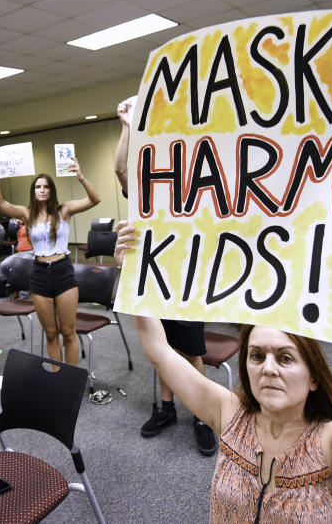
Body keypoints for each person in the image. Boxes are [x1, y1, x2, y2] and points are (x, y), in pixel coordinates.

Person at [115, 218, 332, 522]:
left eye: (285, 358)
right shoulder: (230, 415)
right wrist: (132, 273)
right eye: (256, 356)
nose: (268, 368)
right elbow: (161, 353)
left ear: (315, 379)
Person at [113, 96, 216, 454]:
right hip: (156, 277)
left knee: (191, 350)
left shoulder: (199, 185)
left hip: (189, 280)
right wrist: (127, 128)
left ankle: (203, 415)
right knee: (162, 348)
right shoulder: (149, 187)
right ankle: (168, 409)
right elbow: (121, 169)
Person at [0, 159, 99, 365]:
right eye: (38, 187)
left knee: (68, 331)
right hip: (39, 274)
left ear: (51, 190)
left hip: (63, 271)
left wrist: (81, 177)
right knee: (50, 333)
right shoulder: (27, 213)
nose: (42, 190)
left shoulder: (63, 210)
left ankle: (71, 379)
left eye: (46, 186)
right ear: (33, 191)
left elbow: (95, 199)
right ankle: (58, 378)